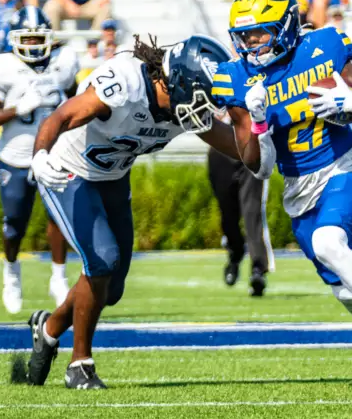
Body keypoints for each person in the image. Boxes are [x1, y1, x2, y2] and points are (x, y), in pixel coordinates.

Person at [213, 0, 352, 385]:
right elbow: (259, 168)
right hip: (298, 186)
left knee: (329, 242)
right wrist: (258, 124)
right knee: (344, 290)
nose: (252, 44)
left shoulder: (323, 49)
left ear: (287, 26)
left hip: (346, 164)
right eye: (244, 36)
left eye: (259, 33)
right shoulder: (236, 79)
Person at [21, 34, 245, 389]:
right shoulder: (123, 86)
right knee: (102, 262)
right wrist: (40, 155)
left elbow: (237, 147)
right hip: (69, 171)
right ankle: (80, 365)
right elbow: (61, 116)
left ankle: (48, 329)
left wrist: (266, 128)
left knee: (110, 290)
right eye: (200, 95)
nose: (204, 107)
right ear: (177, 83)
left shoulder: (183, 104)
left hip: (112, 178)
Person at [0, 6, 78, 313]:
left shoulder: (63, 64)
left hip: (54, 154)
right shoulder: (2, 67)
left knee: (59, 218)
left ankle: (58, 277)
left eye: (38, 39)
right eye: (28, 39)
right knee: (14, 226)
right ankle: (11, 273)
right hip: (16, 157)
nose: (33, 45)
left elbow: (78, 101)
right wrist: (17, 110)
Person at [207, 110, 275, 295]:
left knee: (252, 212)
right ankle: (235, 252)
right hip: (221, 148)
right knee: (227, 215)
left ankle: (258, 269)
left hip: (251, 145)